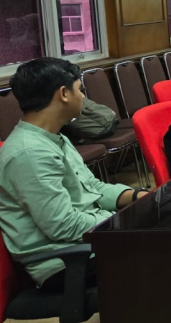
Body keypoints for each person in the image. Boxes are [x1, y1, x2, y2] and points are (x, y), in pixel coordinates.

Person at [0, 58, 149, 288]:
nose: (83, 97)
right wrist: (121, 222)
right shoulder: (29, 153)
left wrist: (134, 196)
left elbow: (93, 188)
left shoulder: (54, 136)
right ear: (63, 94)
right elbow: (63, 225)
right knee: (167, 253)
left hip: (89, 243)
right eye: (80, 90)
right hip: (66, 262)